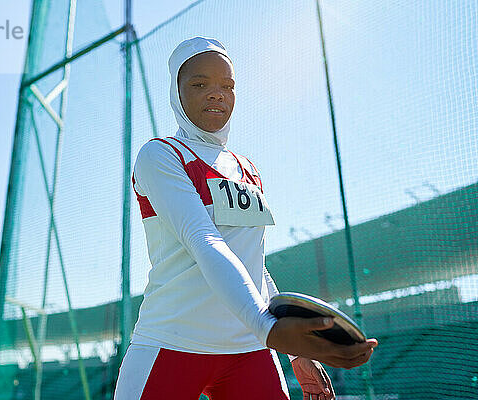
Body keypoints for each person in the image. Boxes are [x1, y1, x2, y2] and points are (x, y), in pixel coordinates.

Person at [113, 37, 377, 400]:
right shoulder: (159, 155)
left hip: (247, 350)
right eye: (200, 84)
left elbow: (254, 266)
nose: (216, 94)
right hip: (170, 342)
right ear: (176, 91)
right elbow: (203, 239)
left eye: (227, 85)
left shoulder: (246, 168)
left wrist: (296, 350)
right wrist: (268, 328)